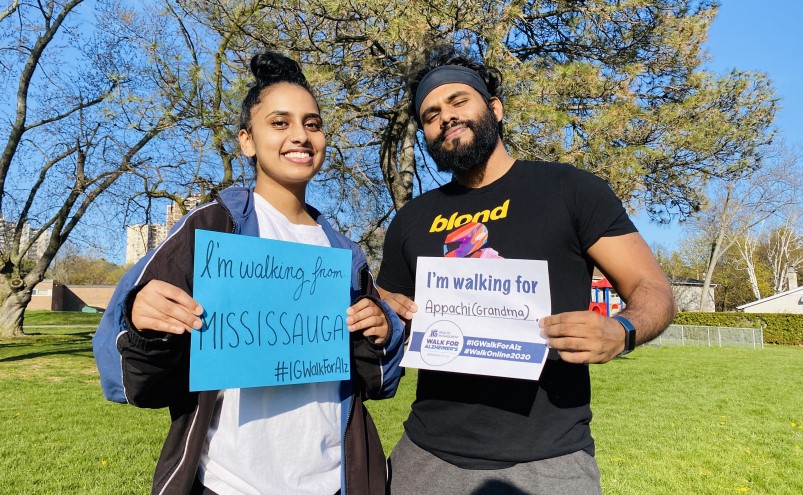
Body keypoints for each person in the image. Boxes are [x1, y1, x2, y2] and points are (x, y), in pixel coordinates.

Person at [93, 52, 404, 495]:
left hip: (332, 481)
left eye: (312, 123)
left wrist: (380, 330)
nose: (300, 135)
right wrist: (144, 322)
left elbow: (378, 380)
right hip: (227, 482)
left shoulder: (344, 253)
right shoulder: (209, 229)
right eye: (280, 123)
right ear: (247, 140)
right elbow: (127, 371)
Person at [376, 48, 677, 494]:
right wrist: (383, 309)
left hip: (549, 462)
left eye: (459, 101)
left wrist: (622, 331)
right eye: (431, 114)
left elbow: (652, 287)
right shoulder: (413, 218)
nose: (446, 118)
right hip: (425, 457)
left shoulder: (570, 189)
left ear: (494, 108)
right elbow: (383, 306)